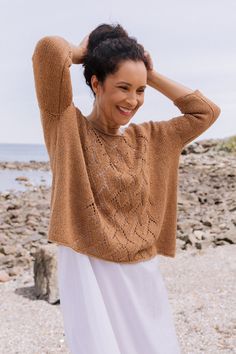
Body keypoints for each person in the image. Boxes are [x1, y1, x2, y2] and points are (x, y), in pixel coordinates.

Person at [32, 23, 221, 354]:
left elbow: (205, 112)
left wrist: (152, 73)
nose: (133, 100)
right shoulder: (66, 126)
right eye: (123, 87)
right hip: (88, 267)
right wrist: (81, 52)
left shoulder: (150, 138)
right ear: (96, 83)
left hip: (141, 273)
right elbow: (49, 50)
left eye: (141, 90)